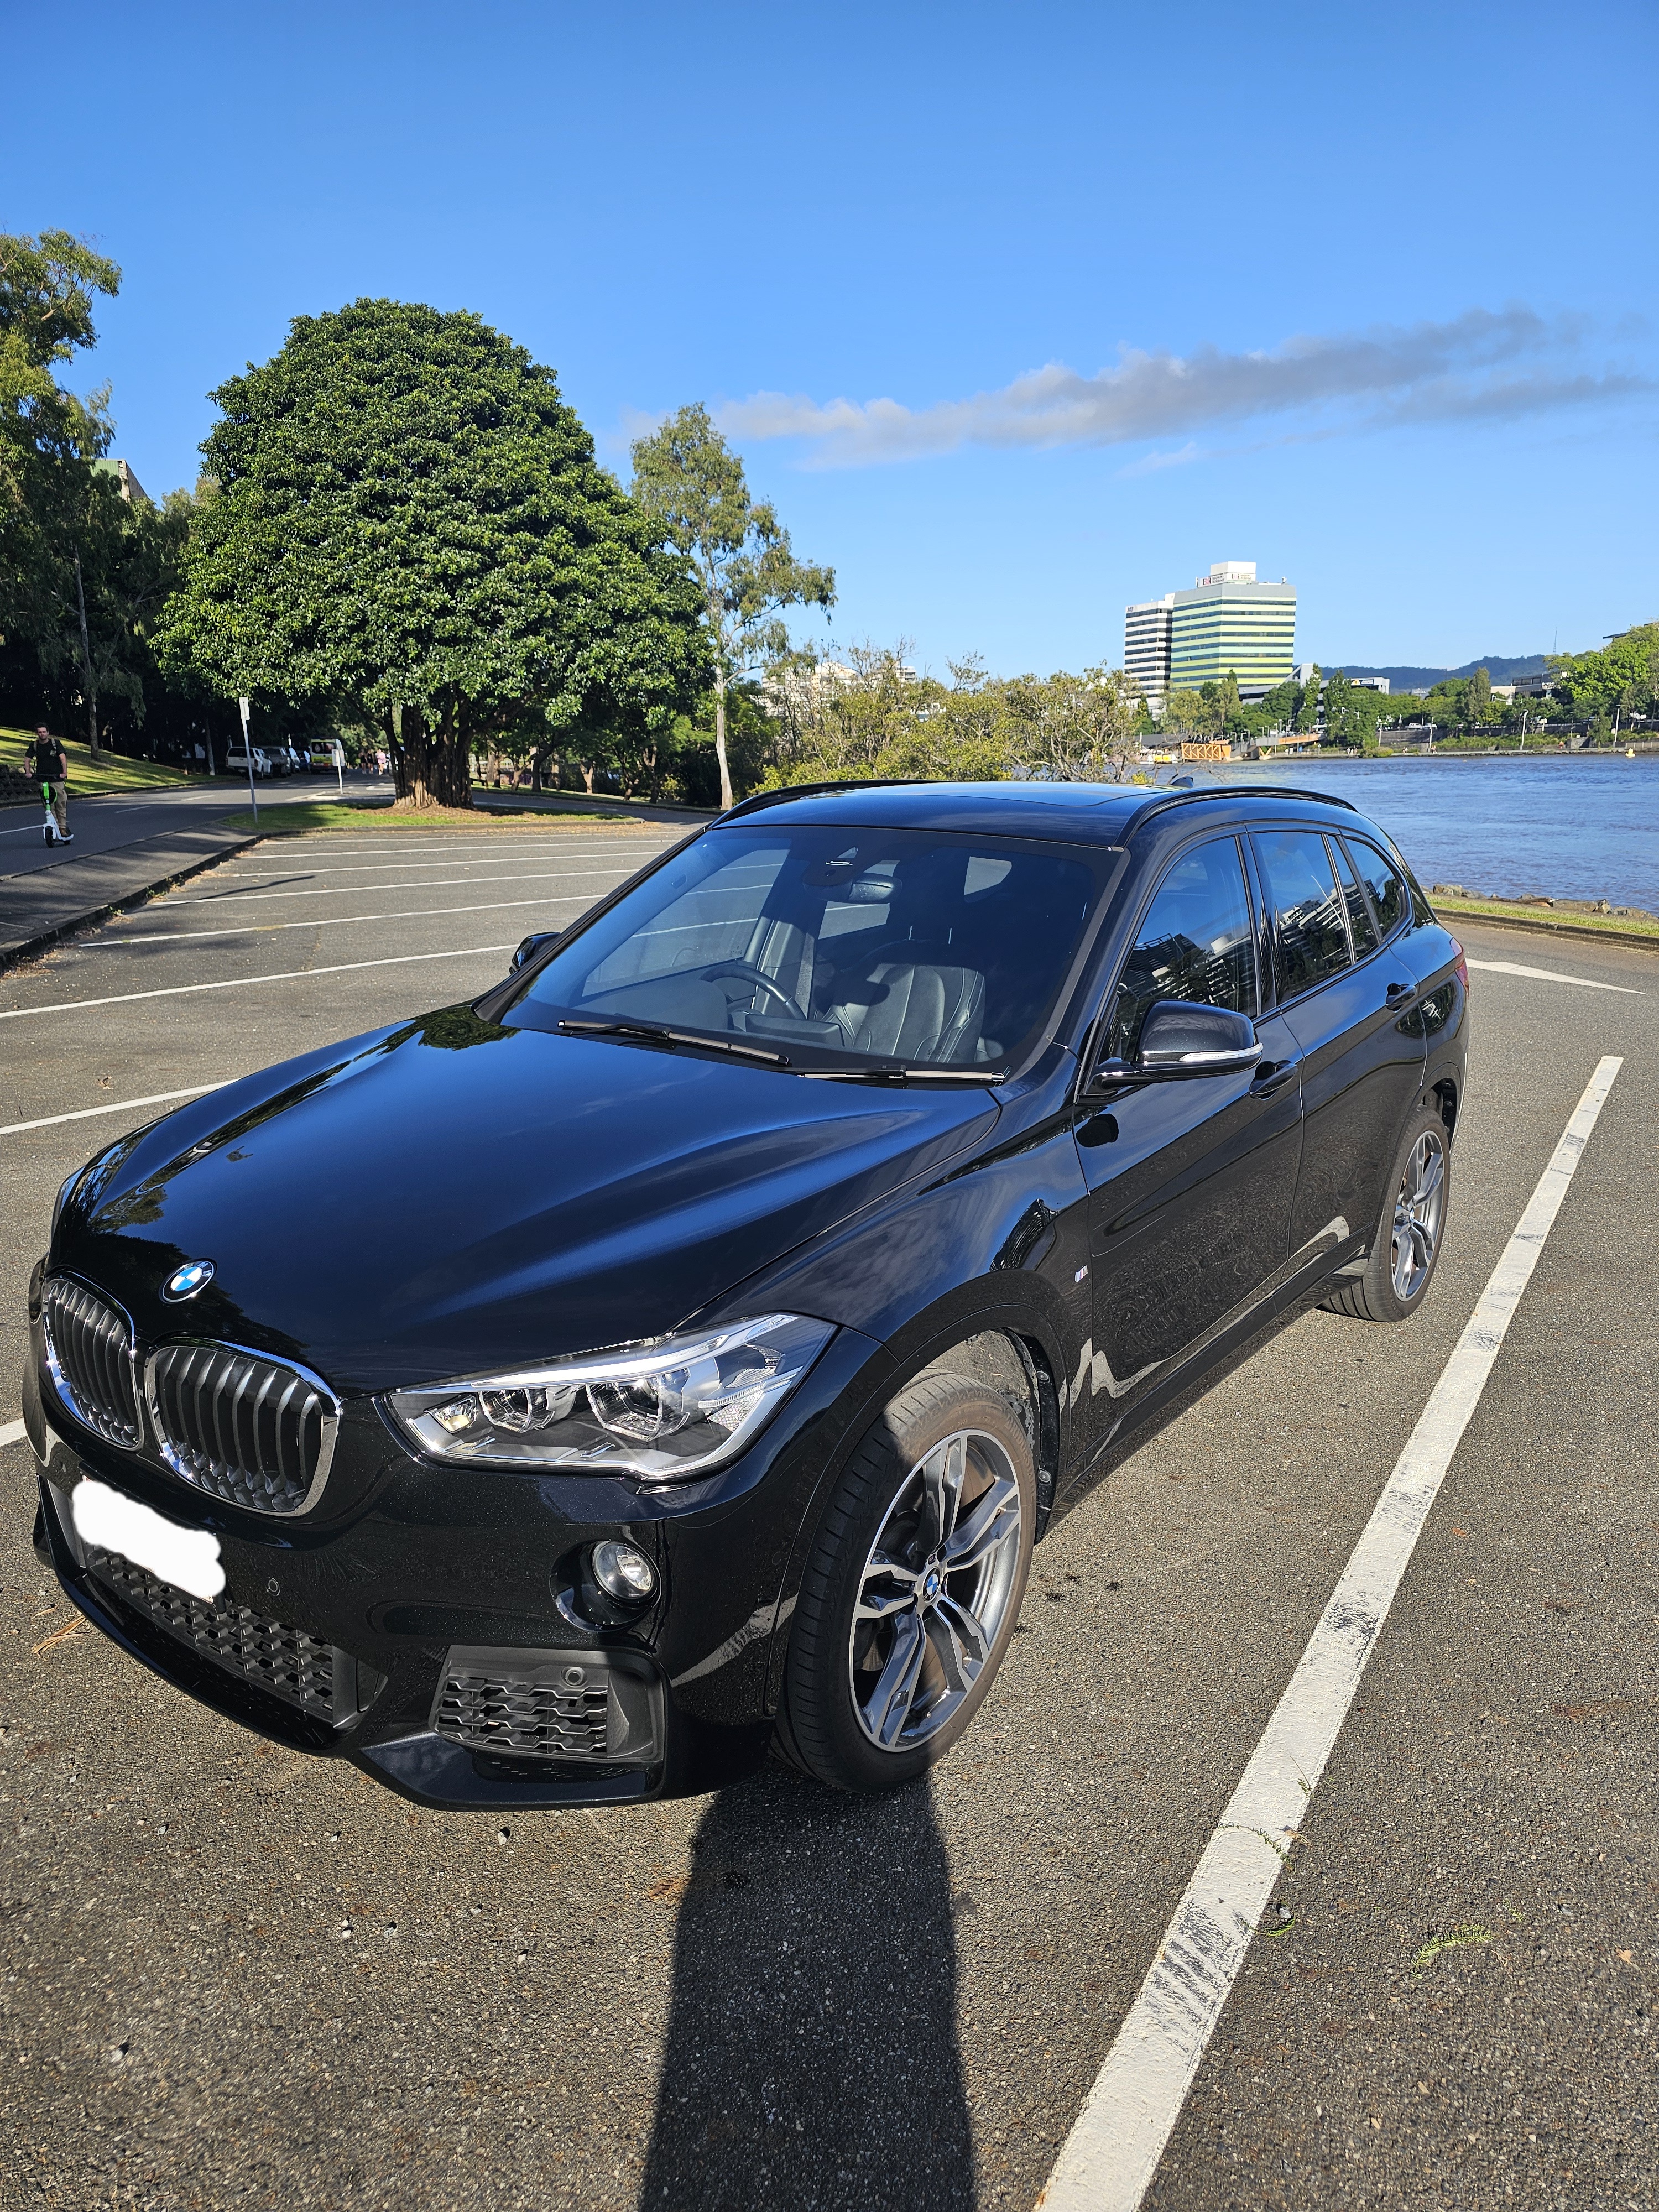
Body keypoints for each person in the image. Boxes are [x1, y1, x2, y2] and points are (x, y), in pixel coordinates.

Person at [25, 725, 71, 842]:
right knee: (48, 806)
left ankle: (62, 828)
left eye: (44, 732)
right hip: (43, 779)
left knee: (60, 804)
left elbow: (63, 758)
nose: (42, 734)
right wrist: (28, 772)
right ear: (37, 733)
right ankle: (54, 827)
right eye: (40, 732)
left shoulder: (55, 744)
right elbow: (27, 759)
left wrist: (64, 772)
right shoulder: (35, 745)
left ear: (48, 732)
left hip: (56, 779)